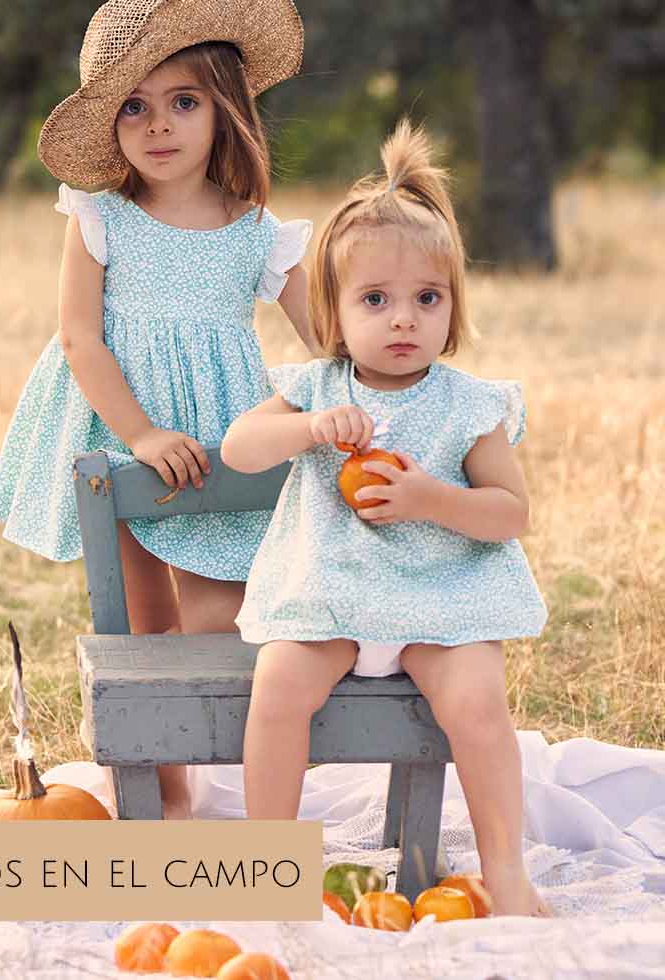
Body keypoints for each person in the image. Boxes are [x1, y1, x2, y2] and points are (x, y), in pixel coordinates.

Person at [0, 0, 315, 817]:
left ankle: (227, 760)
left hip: (219, 440)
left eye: (183, 101)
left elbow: (330, 340)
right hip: (120, 424)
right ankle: (166, 790)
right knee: (137, 618)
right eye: (133, 105)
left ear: (224, 110)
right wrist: (138, 435)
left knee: (215, 617)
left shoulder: (255, 233)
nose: (157, 125)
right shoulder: (102, 218)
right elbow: (79, 339)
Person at [221, 119, 551, 916]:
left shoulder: (472, 406)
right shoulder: (319, 387)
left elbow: (511, 513)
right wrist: (307, 430)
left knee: (476, 703)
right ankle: (271, 869)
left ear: (452, 308)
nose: (403, 320)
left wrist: (431, 498)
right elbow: (238, 448)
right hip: (333, 596)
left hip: (441, 604)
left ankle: (506, 872)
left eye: (426, 299)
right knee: (277, 688)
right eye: (376, 300)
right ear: (335, 310)